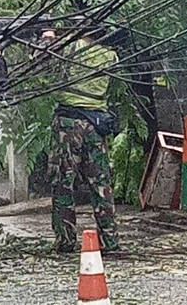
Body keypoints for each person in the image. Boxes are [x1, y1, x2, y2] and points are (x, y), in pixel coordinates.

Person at [48, 30, 120, 253]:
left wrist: (48, 37)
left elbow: (45, 66)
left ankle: (66, 240)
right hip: (97, 125)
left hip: (68, 124)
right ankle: (110, 241)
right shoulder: (111, 56)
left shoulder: (69, 48)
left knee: (63, 183)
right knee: (101, 184)